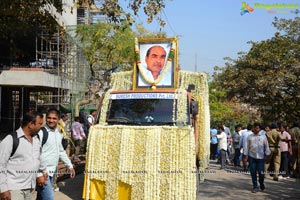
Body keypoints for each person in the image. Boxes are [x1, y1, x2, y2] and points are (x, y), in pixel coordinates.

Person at [0, 111, 47, 200]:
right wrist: (3, 189)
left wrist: (41, 172)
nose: (42, 126)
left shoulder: (36, 139)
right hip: (14, 188)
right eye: (40, 124)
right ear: (31, 124)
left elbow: (37, 158)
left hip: (30, 187)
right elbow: (1, 165)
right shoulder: (11, 139)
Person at [36, 109, 75, 200]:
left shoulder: (58, 133)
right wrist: (38, 174)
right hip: (42, 172)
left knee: (41, 197)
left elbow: (61, 151)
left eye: (54, 118)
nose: (51, 120)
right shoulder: (41, 133)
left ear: (58, 120)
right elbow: (34, 154)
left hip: (52, 171)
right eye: (49, 118)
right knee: (49, 197)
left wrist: (69, 166)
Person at [243, 122, 270, 193]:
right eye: (254, 127)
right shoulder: (250, 137)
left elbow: (266, 146)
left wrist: (267, 155)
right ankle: (255, 186)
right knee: (253, 172)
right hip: (252, 157)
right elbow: (246, 147)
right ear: (253, 128)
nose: (256, 129)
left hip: (261, 157)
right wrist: (245, 156)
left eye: (257, 128)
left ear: (260, 129)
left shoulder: (263, 137)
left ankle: (261, 183)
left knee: (261, 173)